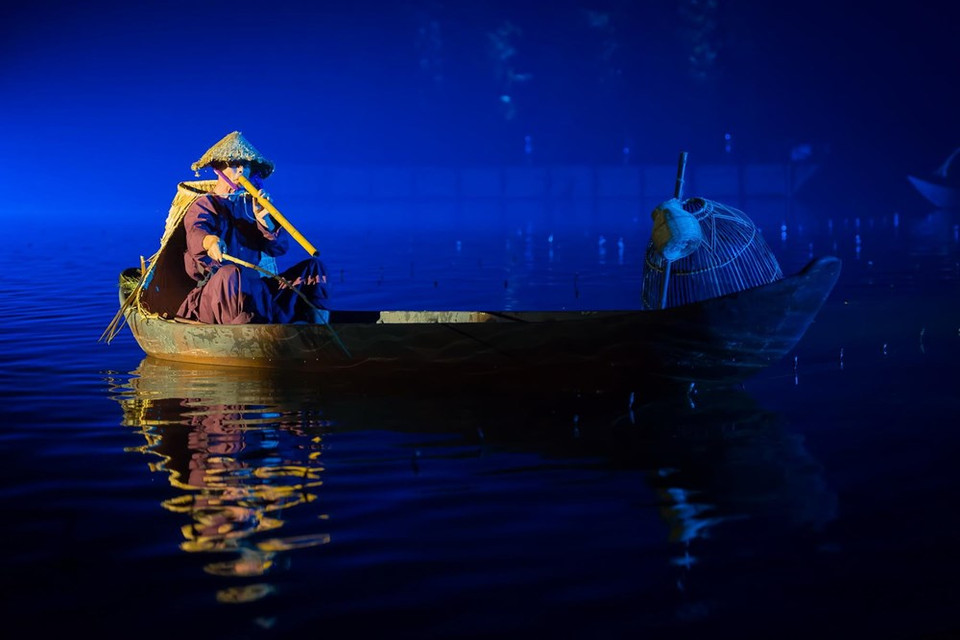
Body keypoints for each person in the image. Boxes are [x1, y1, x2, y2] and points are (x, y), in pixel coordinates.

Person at [175, 131, 329, 324]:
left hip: (257, 291)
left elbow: (279, 248)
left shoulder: (253, 205)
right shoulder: (205, 204)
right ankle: (245, 335)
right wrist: (210, 241)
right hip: (219, 294)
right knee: (231, 273)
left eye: (245, 165)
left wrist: (265, 221)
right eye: (234, 164)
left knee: (314, 269)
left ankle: (319, 329)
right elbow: (197, 231)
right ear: (217, 168)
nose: (240, 170)